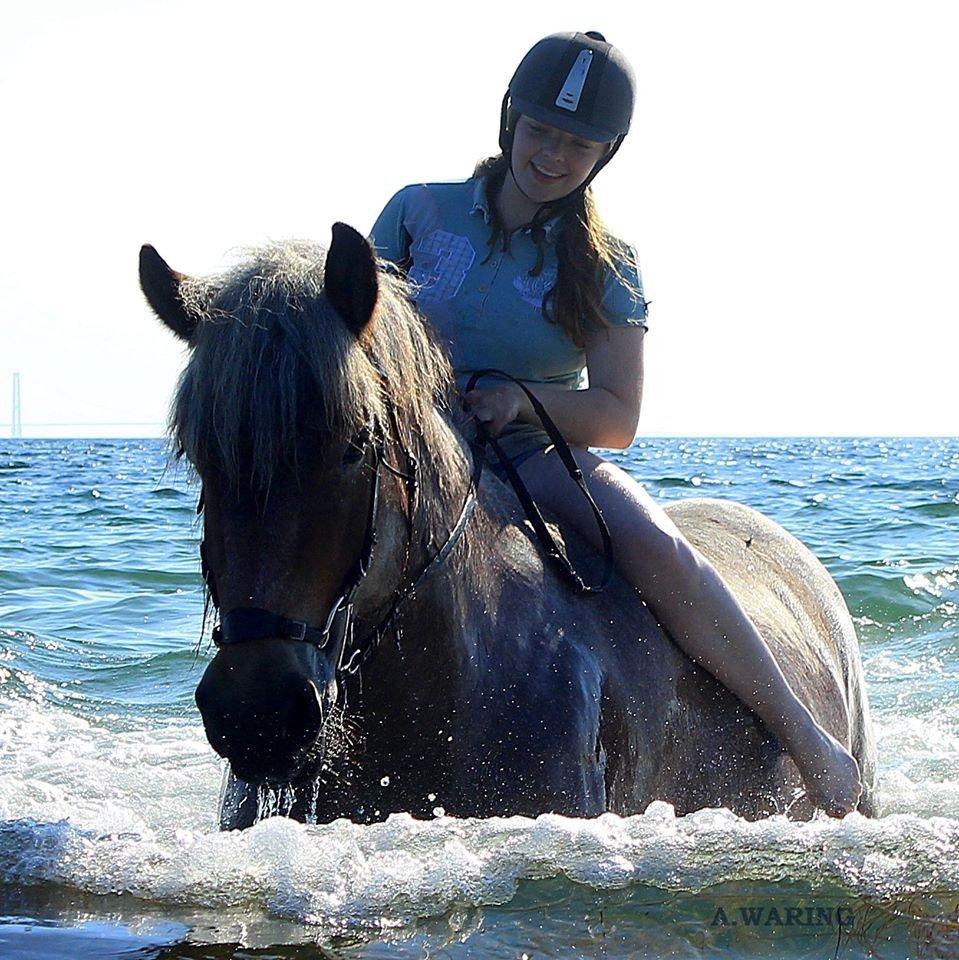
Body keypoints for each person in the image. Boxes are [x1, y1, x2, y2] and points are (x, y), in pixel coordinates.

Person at [369, 31, 862, 816]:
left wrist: (523, 402)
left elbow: (616, 416)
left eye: (578, 143)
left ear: (606, 153)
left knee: (656, 545)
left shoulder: (604, 261)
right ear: (509, 121)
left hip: (533, 456)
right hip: (414, 455)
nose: (553, 155)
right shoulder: (416, 212)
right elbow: (360, 337)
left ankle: (808, 741)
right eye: (540, 131)